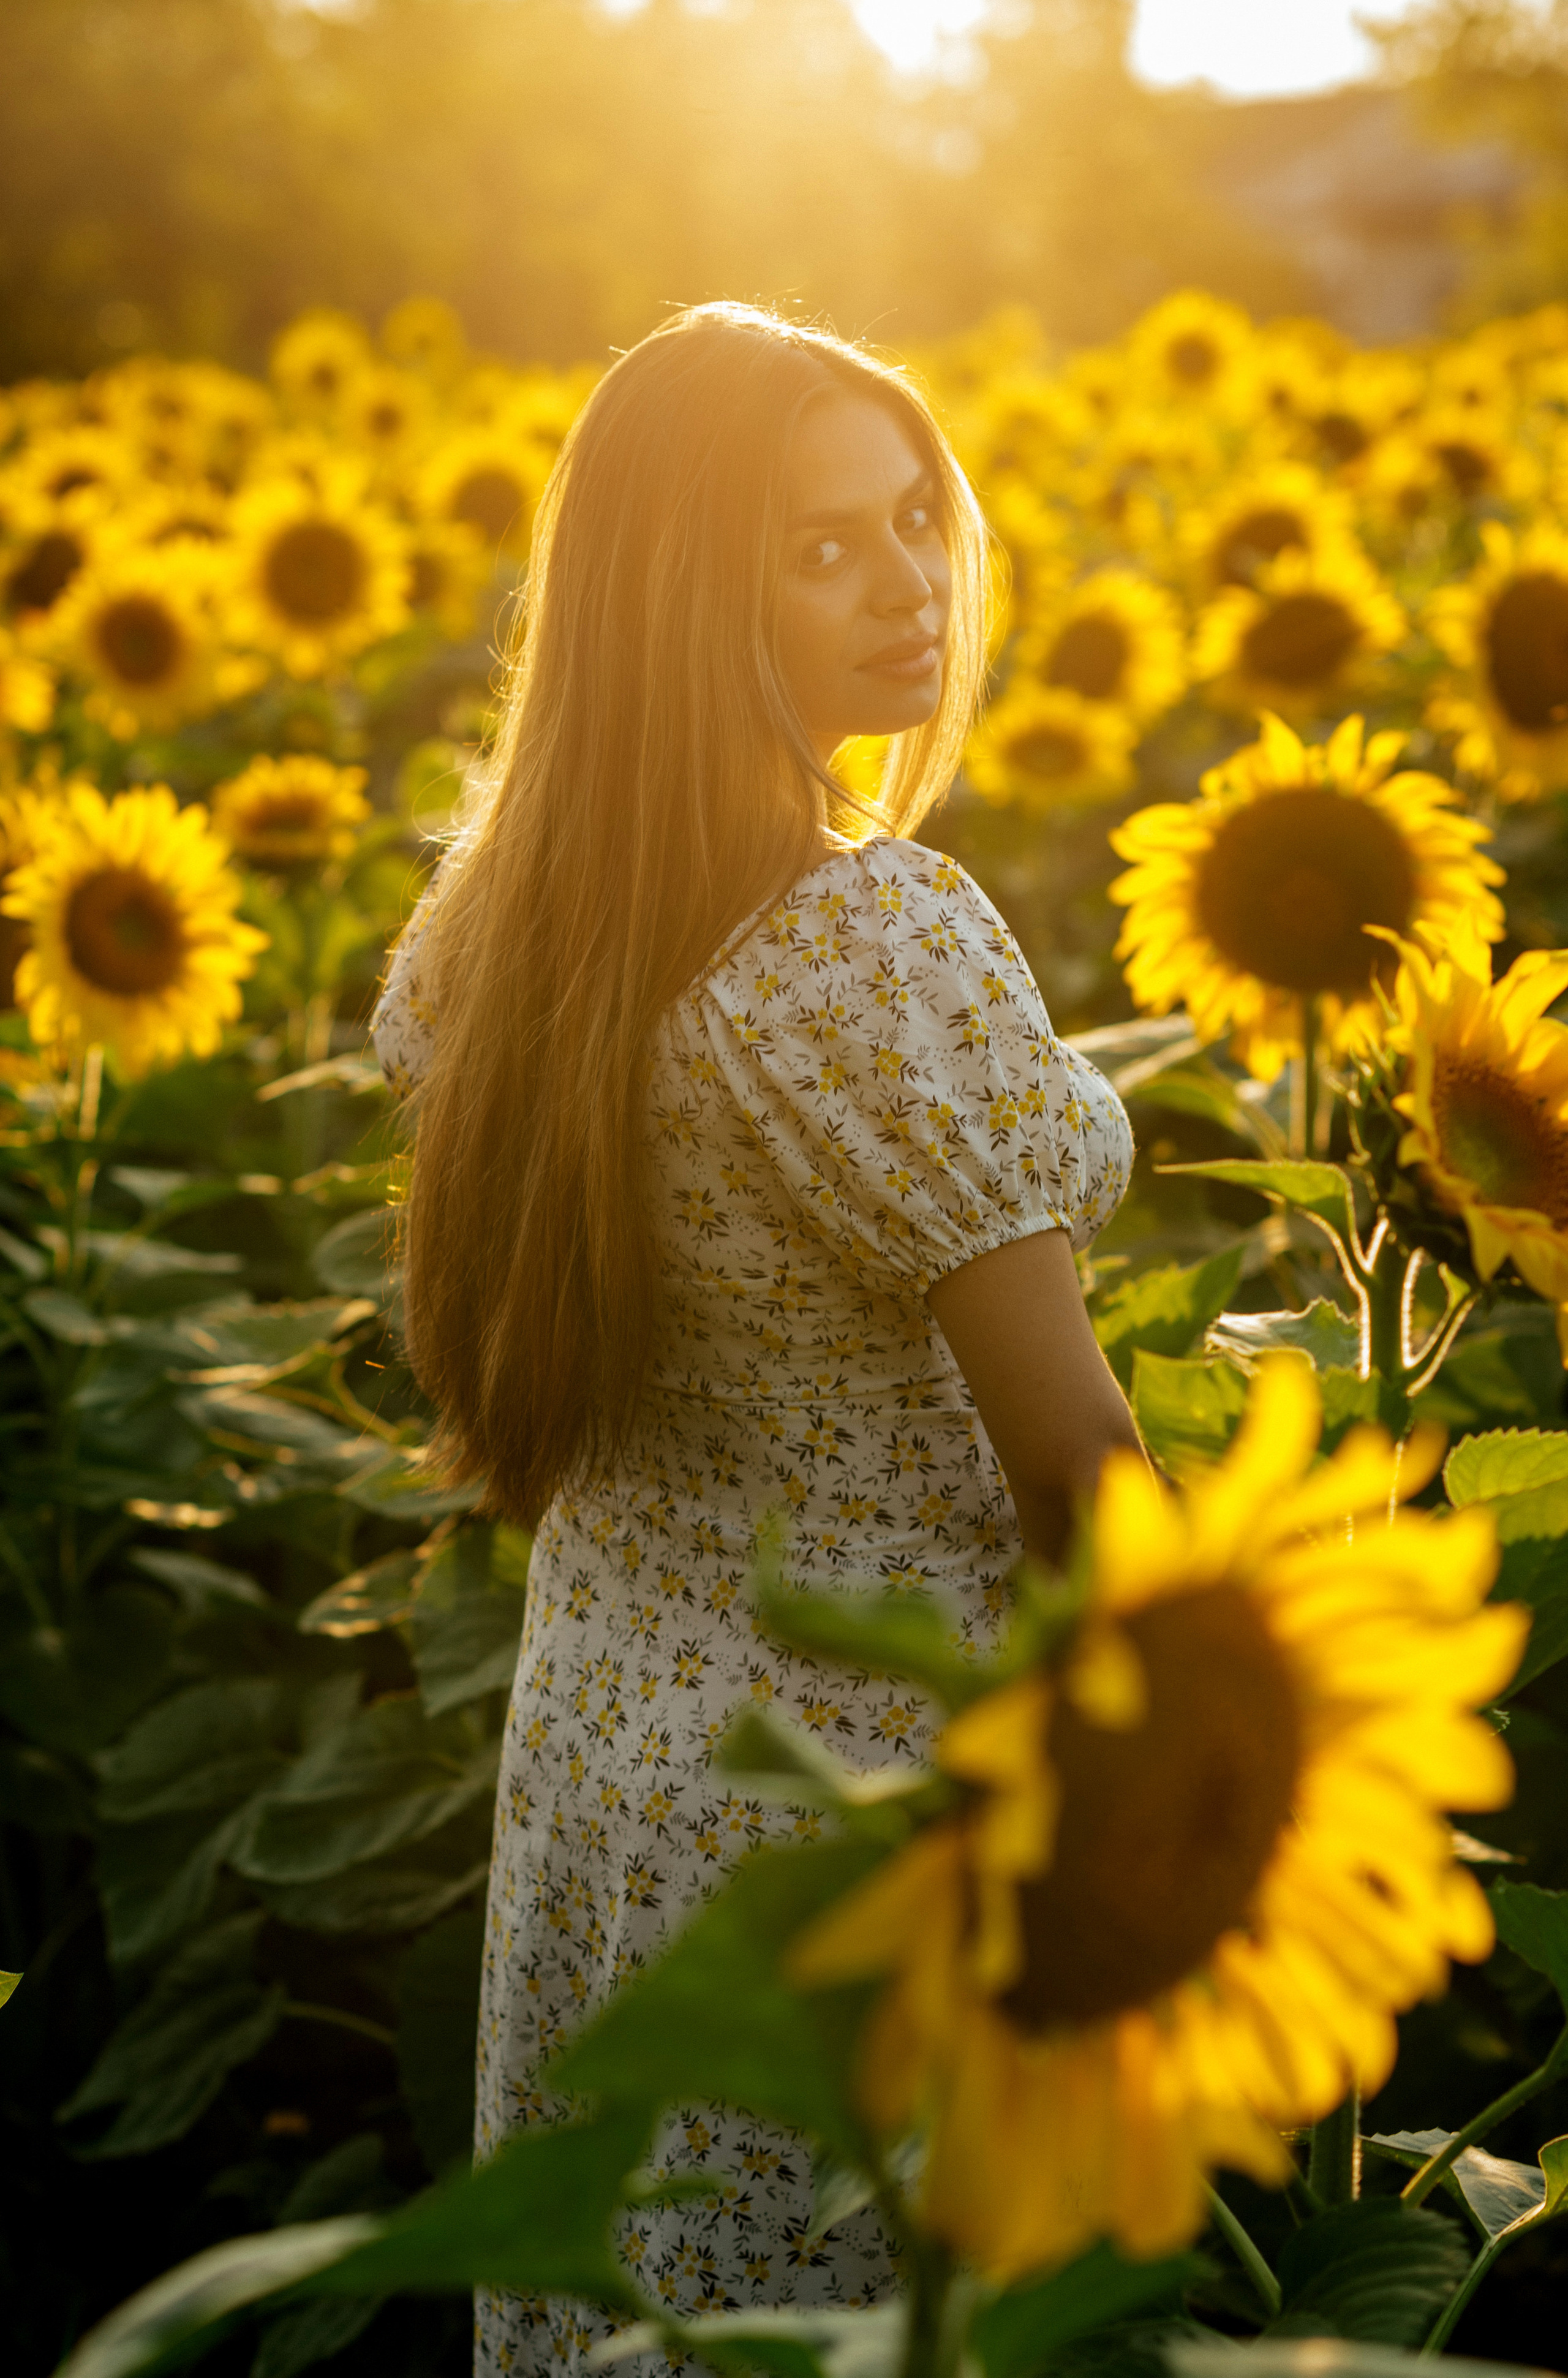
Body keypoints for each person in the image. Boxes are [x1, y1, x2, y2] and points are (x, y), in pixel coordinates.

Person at [371, 301, 1140, 2376]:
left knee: (639, 2314)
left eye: (912, 518)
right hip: (868, 1805)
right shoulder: (865, 942)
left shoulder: (502, 930)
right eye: (818, 546)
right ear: (685, 602)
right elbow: (1081, 1466)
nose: (905, 583)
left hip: (617, 1766)